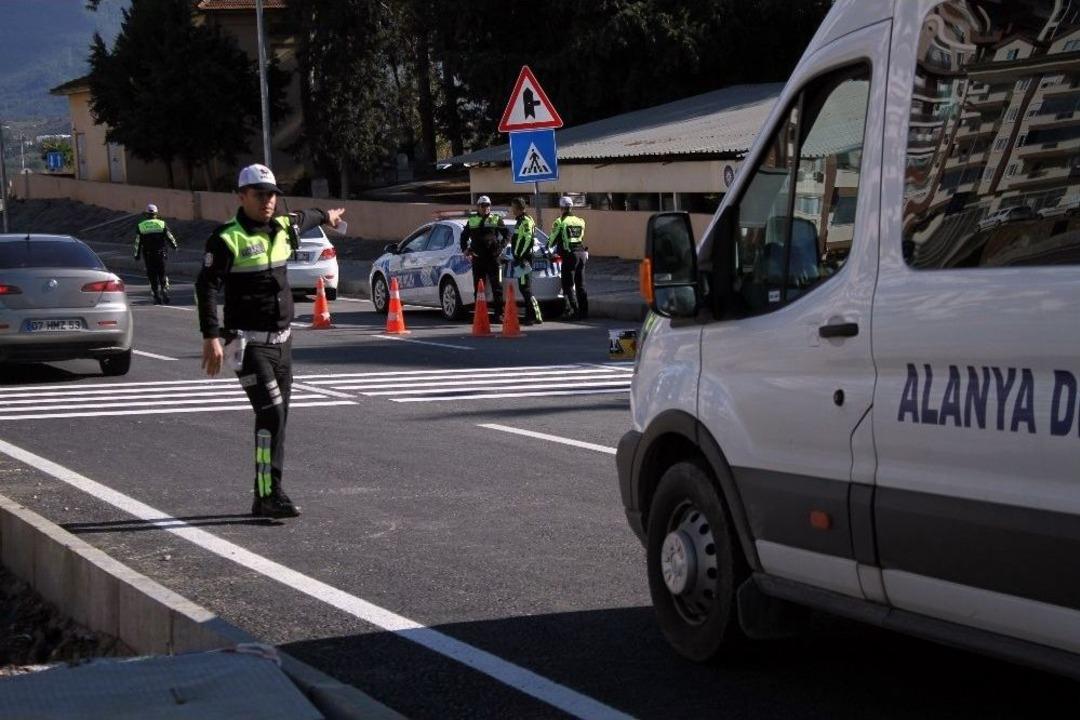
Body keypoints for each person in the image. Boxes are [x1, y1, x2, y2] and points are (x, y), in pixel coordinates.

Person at [195, 163, 345, 519]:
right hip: (246, 345)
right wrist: (210, 336)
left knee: (279, 419)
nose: (267, 201)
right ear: (242, 196)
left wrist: (329, 216)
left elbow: (307, 216)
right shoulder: (226, 238)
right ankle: (266, 494)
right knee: (271, 413)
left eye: (272, 195)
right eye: (260, 194)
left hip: (283, 343)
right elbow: (206, 286)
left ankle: (267, 493)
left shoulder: (282, 226)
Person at [459, 195, 509, 323]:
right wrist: (465, 249)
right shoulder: (472, 220)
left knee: (497, 287)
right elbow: (463, 237)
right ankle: (480, 314)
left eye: (488, 205)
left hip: (493, 258)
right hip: (478, 259)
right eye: (483, 205)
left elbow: (507, 234)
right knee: (479, 288)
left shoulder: (495, 218)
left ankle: (499, 314)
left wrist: (501, 247)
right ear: (478, 207)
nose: (486, 208)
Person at [547, 196, 588, 319]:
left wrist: (547, 248)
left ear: (561, 208)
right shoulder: (581, 221)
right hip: (582, 254)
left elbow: (552, 240)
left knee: (568, 285)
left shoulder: (560, 222)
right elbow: (580, 238)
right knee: (580, 285)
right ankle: (584, 311)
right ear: (571, 207)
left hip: (570, 256)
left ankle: (574, 311)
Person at [134, 203, 179, 304]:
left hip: (148, 255)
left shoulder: (141, 226)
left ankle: (156, 296)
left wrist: (136, 255)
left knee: (152, 276)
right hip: (161, 254)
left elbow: (138, 242)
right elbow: (169, 237)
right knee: (162, 274)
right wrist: (174, 246)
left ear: (146, 214)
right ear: (156, 213)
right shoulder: (162, 224)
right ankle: (165, 290)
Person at [508, 197, 543, 325]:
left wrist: (521, 256)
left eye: (513, 207)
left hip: (524, 259)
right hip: (520, 258)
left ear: (518, 208)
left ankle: (532, 316)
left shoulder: (526, 221)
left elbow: (528, 240)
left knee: (525, 288)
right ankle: (535, 315)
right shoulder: (520, 221)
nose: (512, 210)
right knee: (525, 288)